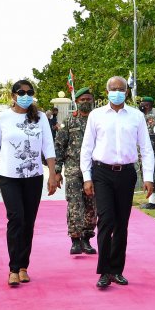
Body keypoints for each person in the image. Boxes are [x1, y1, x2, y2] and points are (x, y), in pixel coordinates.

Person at [80, 76, 155, 288]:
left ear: (127, 92)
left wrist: (148, 178)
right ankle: (104, 271)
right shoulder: (96, 116)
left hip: (126, 174)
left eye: (121, 89)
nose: (117, 92)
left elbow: (146, 149)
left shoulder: (136, 116)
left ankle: (116, 270)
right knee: (105, 221)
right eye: (113, 89)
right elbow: (86, 148)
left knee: (122, 223)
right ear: (107, 92)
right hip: (102, 172)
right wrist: (87, 177)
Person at [0, 80, 59, 286]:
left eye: (29, 92)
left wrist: (52, 174)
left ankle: (24, 266)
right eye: (21, 92)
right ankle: (13, 268)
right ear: (13, 95)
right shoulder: (2, 118)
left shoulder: (41, 117)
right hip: (9, 177)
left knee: (28, 222)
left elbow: (48, 147)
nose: (26, 95)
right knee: (16, 218)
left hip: (33, 177)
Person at [54, 87, 97, 255]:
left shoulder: (97, 120)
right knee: (74, 204)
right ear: (77, 102)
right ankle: (75, 240)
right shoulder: (69, 121)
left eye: (88, 99)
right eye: (82, 100)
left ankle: (87, 239)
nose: (85, 102)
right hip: (73, 169)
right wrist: (57, 170)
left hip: (94, 170)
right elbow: (59, 146)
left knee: (92, 205)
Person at [138, 96, 155, 210]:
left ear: (147, 105)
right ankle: (153, 199)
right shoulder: (144, 116)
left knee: (149, 174)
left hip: (149, 149)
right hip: (144, 149)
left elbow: (149, 133)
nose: (140, 105)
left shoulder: (151, 116)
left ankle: (152, 202)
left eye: (142, 103)